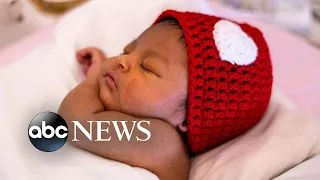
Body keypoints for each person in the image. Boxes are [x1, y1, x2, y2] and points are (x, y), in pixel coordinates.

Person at [58, 10, 273, 180]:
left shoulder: (164, 143)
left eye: (147, 68)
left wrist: (94, 78)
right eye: (127, 51)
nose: (122, 61)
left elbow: (75, 124)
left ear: (188, 120)